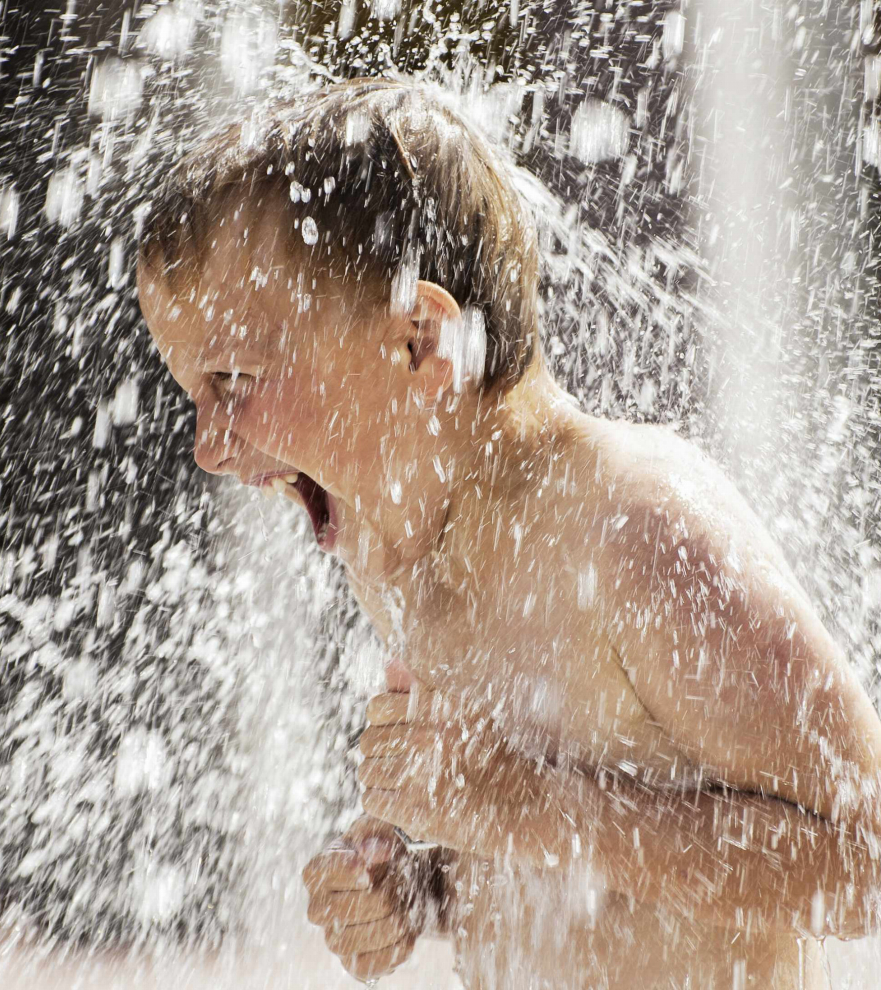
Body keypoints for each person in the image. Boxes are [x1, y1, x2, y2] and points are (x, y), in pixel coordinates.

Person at [136, 78, 881, 989]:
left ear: (420, 343)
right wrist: (428, 884)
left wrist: (524, 806)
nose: (210, 449)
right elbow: (586, 870)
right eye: (193, 397)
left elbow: (865, 865)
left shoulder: (634, 530)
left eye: (235, 380)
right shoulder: (402, 547)